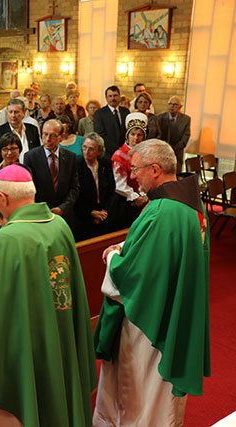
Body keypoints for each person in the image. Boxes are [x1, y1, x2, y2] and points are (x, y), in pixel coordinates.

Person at [0, 164, 97, 427]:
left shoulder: (6, 239)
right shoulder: (60, 226)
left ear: (2, 199)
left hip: (27, 338)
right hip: (59, 328)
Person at [93, 140, 210, 426]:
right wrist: (126, 245)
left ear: (155, 169)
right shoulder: (191, 204)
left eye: (136, 170)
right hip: (177, 308)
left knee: (140, 390)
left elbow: (133, 275)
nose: (133, 177)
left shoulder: (161, 211)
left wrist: (114, 257)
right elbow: (164, 250)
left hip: (151, 320)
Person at [23, 119, 79, 226]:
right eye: (45, 135)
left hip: (65, 216)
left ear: (61, 137)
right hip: (41, 215)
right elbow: (30, 189)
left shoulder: (70, 157)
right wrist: (45, 210)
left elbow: (74, 188)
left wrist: (62, 208)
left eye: (52, 135)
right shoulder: (31, 157)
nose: (47, 139)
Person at [74, 133, 115, 241]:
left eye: (91, 149)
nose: (86, 152)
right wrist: (91, 213)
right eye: (84, 147)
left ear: (99, 152)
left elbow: (111, 189)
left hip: (104, 215)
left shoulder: (105, 163)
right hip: (83, 218)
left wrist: (105, 211)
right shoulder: (76, 165)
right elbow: (75, 195)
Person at [111, 113, 149, 230]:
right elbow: (119, 184)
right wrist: (134, 197)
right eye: (133, 134)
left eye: (139, 135)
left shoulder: (146, 153)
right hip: (125, 201)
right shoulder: (119, 155)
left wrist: (144, 196)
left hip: (143, 199)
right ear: (127, 135)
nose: (136, 138)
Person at [0, 99, 41, 166]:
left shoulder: (32, 129)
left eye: (16, 112)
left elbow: (37, 153)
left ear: (24, 112)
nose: (13, 115)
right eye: (10, 112)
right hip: (9, 172)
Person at [94, 85, 130, 160]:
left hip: (125, 153)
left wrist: (124, 149)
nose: (113, 98)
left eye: (115, 95)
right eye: (110, 96)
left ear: (119, 96)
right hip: (108, 154)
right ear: (106, 98)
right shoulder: (99, 113)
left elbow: (128, 131)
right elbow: (100, 135)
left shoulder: (126, 111)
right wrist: (117, 150)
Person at [157, 96, 190, 173]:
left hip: (177, 152)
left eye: (175, 104)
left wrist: (174, 149)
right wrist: (166, 149)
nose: (172, 106)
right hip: (163, 152)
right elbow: (158, 136)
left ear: (180, 107)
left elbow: (186, 136)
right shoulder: (159, 118)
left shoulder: (186, 119)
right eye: (170, 104)